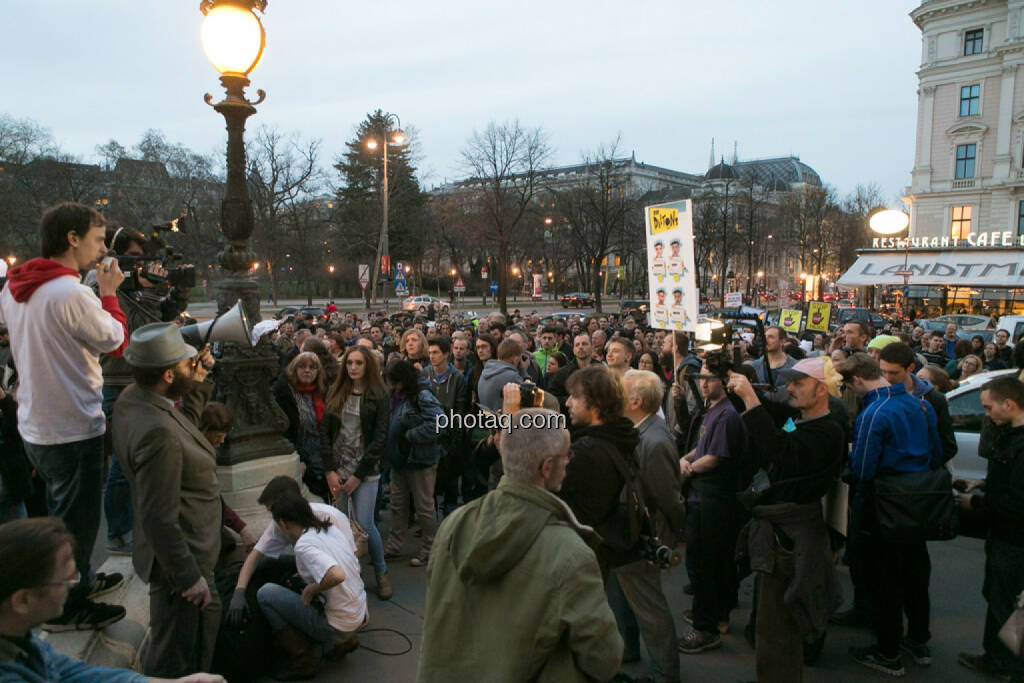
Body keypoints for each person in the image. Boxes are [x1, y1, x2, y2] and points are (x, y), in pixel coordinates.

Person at [417, 403, 623, 683]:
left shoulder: (455, 523)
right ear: (547, 466)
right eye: (567, 454)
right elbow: (603, 659)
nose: (570, 460)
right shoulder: (571, 554)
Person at [0, 202, 129, 631]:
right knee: (75, 522)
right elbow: (115, 341)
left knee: (59, 511)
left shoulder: (15, 287)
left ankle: (83, 581)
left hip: (37, 423)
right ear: (72, 238)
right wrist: (108, 293)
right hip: (72, 423)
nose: (100, 251)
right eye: (95, 240)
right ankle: (68, 606)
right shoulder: (70, 293)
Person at [113, 323, 221, 678]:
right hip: (183, 560)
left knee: (187, 642)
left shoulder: (136, 398)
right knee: (175, 655)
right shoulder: (157, 433)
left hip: (184, 553)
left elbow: (183, 427)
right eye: (188, 364)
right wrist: (189, 578)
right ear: (168, 373)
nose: (195, 365)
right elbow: (158, 516)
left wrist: (198, 379)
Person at [726, 358, 844, 683]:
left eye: (798, 383)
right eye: (789, 382)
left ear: (821, 390)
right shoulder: (800, 419)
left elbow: (781, 449)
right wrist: (737, 384)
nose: (789, 389)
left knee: (779, 623)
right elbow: (777, 425)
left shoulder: (828, 430)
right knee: (769, 620)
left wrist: (750, 399)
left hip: (792, 537)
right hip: (781, 532)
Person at [0, 517, 224, 683]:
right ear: (23, 600)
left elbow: (71, 672)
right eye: (66, 581)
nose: (77, 585)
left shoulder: (20, 637)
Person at [837, 353, 941, 677]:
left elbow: (863, 468)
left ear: (857, 381)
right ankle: (918, 640)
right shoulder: (920, 404)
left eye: (847, 384)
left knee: (885, 579)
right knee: (915, 574)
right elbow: (936, 453)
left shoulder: (875, 411)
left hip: (885, 503)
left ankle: (887, 651)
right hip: (919, 499)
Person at [99, 226, 192, 557]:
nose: (140, 266)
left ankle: (140, 524)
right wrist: (148, 292)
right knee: (124, 464)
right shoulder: (107, 289)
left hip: (145, 382)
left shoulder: (136, 288)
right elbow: (140, 334)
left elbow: (162, 320)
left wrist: (177, 295)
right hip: (118, 382)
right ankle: (118, 531)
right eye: (135, 258)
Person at [608, 370, 686, 683]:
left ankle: (664, 672)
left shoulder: (653, 440)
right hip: (625, 533)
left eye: (621, 392)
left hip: (644, 536)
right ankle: (625, 647)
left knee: (648, 606)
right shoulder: (638, 429)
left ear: (637, 401)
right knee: (619, 593)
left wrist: (674, 534)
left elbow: (668, 497)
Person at [956, 376, 1024, 681]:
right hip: (1004, 535)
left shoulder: (1020, 443)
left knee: (1004, 602)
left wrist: (977, 503)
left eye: (988, 407)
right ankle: (998, 657)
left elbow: (1016, 501)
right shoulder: (1011, 435)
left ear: (1008, 404)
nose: (986, 414)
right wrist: (983, 484)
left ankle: (1004, 663)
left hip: (1012, 539)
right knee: (1000, 598)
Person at [258, 493, 365, 680]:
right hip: (359, 613)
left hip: (338, 626)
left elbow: (337, 575)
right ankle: (344, 641)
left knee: (266, 593)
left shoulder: (303, 545)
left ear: (283, 524)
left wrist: (310, 590)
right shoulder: (330, 529)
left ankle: (303, 661)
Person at [320, 346, 392, 599]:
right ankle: (351, 574)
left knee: (365, 524)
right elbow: (325, 433)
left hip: (365, 469)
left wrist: (358, 475)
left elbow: (380, 438)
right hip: (338, 468)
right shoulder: (336, 391)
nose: (352, 367)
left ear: (367, 366)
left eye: (358, 363)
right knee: (340, 527)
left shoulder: (379, 395)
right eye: (349, 362)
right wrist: (329, 470)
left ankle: (381, 572)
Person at [559, 365, 640, 571]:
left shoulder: (587, 450)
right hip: (602, 549)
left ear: (596, 405)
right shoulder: (620, 435)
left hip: (583, 552)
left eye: (575, 397)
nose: (567, 403)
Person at [383, 360, 445, 567]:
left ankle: (430, 547)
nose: (392, 386)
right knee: (397, 504)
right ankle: (394, 545)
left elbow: (439, 423)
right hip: (400, 460)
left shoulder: (422, 396)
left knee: (424, 506)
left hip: (419, 460)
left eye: (395, 382)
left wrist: (410, 435)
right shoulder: (397, 396)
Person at [878, 342, 958, 465]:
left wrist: (926, 468)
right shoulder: (876, 395)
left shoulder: (933, 399)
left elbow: (947, 444)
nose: (887, 378)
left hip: (922, 475)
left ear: (910, 368)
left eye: (894, 373)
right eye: (883, 371)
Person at [272, 352, 330, 502]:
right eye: (302, 366)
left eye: (312, 367)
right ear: (294, 369)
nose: (307, 370)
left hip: (321, 457)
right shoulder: (284, 392)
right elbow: (283, 430)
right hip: (298, 457)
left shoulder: (322, 391)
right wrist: (299, 458)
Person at [423, 336, 470, 515]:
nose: (432, 356)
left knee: (450, 476)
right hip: (429, 433)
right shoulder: (425, 374)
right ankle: (431, 515)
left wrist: (453, 433)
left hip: (449, 434)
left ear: (445, 354)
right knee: (429, 480)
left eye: (435, 352)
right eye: (429, 353)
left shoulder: (457, 378)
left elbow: (460, 409)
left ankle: (449, 514)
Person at [547, 333, 596, 414]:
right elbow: (553, 398)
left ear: (591, 348)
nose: (580, 347)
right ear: (573, 350)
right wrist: (575, 400)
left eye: (584, 344)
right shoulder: (562, 373)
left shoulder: (601, 369)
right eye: (577, 345)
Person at [476, 338, 526, 412]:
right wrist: (524, 371)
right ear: (515, 359)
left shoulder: (485, 371)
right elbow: (529, 397)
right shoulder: (512, 376)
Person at [750, 326, 797, 404]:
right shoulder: (755, 365)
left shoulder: (795, 366)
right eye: (764, 337)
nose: (766, 340)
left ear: (782, 341)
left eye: (771, 337)